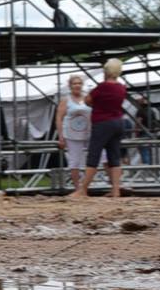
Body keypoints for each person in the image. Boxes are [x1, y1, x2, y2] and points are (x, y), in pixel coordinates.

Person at [72, 58, 128, 198]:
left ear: (106, 71)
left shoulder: (102, 87)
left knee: (94, 154)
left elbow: (88, 100)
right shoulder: (122, 87)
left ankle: (83, 189)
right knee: (114, 156)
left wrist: (96, 106)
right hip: (118, 122)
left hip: (102, 122)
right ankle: (116, 190)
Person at [55, 74, 91, 192]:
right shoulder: (66, 100)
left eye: (79, 83)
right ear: (70, 86)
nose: (77, 86)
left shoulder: (87, 98)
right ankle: (77, 187)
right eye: (75, 83)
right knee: (74, 161)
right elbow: (59, 118)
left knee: (95, 158)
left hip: (88, 132)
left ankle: (86, 184)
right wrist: (61, 136)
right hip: (71, 134)